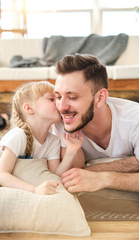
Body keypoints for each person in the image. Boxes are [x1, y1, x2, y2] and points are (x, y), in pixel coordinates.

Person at [53, 53, 139, 193]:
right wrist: (134, 163)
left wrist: (104, 177)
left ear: (100, 98)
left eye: (72, 97)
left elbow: (85, 172)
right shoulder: (61, 121)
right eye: (57, 96)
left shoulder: (134, 120)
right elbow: (74, 172)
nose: (61, 107)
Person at [0, 82, 84, 195]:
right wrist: (34, 189)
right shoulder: (18, 136)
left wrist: (71, 151)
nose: (59, 103)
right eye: (51, 99)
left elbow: (55, 173)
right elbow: (1, 175)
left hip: (5, 139)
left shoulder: (53, 141)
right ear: (29, 108)